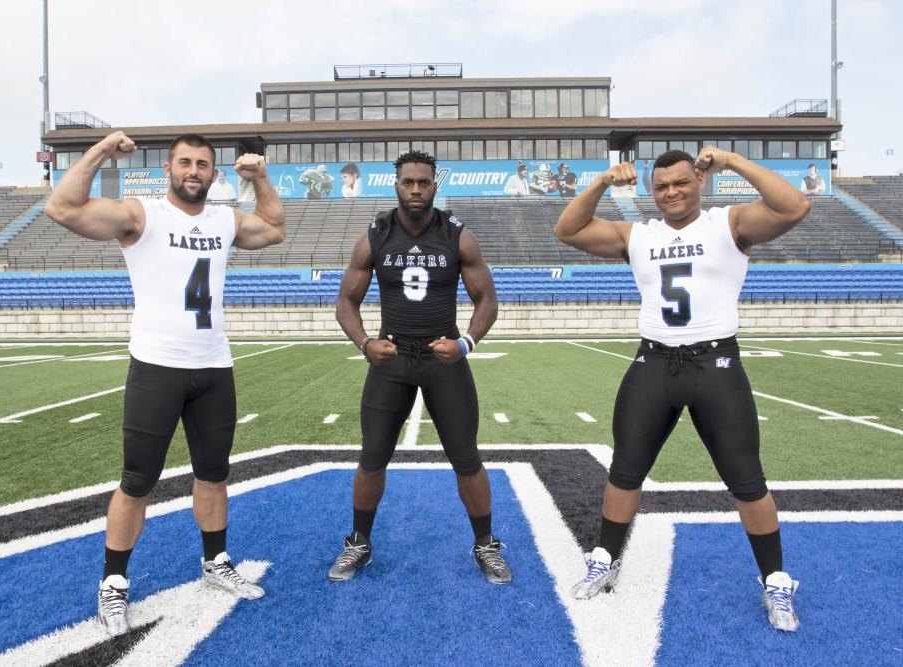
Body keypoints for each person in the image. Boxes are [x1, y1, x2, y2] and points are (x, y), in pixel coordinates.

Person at [553, 148, 811, 632]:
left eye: (681, 183)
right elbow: (566, 230)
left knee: (746, 479)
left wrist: (733, 161)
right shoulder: (638, 235)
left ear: (699, 181)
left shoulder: (728, 224)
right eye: (662, 185)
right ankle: (606, 558)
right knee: (625, 470)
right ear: (653, 191)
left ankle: (776, 578)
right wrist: (604, 180)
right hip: (653, 362)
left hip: (715, 363)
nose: (671, 192)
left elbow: (795, 205)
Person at [46, 131, 285, 637]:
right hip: (156, 367)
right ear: (168, 170)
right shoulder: (141, 214)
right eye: (184, 162)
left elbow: (274, 229)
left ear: (213, 174)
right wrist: (99, 153)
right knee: (137, 481)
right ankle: (113, 582)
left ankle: (215, 561)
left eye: (202, 164)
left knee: (214, 474)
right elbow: (63, 209)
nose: (193, 170)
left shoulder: (223, 219)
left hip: (214, 367)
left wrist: (260, 177)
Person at [330, 150, 510, 585]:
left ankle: (486, 544)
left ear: (434, 186)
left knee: (467, 458)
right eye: (408, 182)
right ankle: (359, 542)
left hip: (442, 358)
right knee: (372, 458)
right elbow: (345, 300)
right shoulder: (375, 234)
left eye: (423, 182)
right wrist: (365, 343)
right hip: (391, 359)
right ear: (396, 185)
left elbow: (487, 298)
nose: (415, 189)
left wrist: (465, 343)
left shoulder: (456, 235)